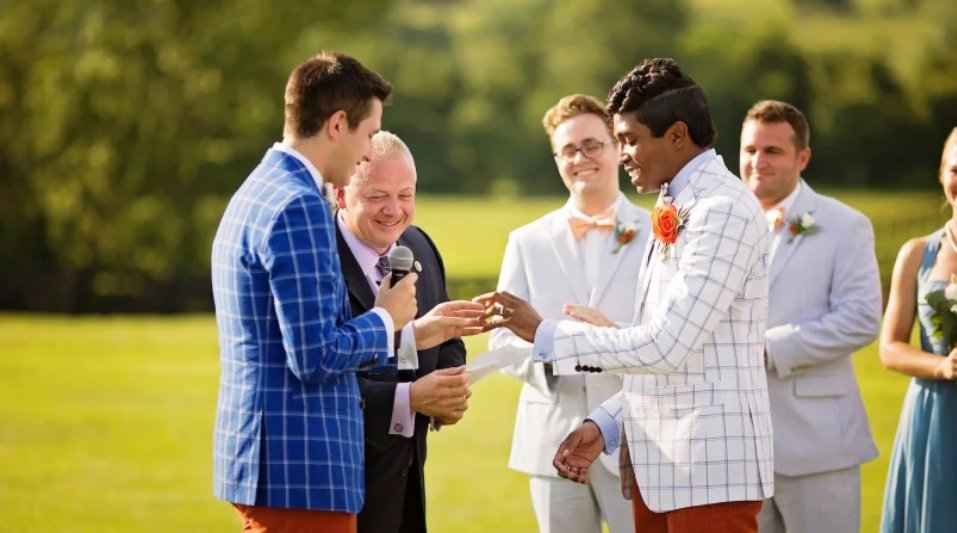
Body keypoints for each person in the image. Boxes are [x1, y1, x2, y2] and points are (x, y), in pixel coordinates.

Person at [478, 58, 774, 533]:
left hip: (708, 469)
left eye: (630, 140)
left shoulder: (723, 211)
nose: (624, 153)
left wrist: (545, 332)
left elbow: (666, 345)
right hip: (660, 469)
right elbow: (669, 356)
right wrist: (607, 422)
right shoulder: (676, 204)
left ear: (677, 135)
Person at [211, 52, 419, 532]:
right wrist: (386, 319)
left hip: (272, 464)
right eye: (369, 135)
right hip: (300, 468)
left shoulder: (261, 187)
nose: (369, 152)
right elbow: (314, 355)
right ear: (338, 124)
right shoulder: (299, 205)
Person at [488, 94, 645, 533]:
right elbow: (501, 339)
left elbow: (669, 332)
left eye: (592, 145)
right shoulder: (526, 240)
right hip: (549, 439)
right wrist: (557, 354)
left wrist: (610, 337)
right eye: (568, 150)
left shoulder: (658, 234)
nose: (581, 158)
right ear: (557, 159)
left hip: (634, 434)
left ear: (616, 148)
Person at [738, 100, 881, 533]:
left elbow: (860, 318)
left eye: (772, 151)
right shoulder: (719, 227)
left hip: (818, 441)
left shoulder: (844, 224)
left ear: (803, 157)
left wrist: (770, 349)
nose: (757, 162)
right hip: (737, 447)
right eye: (749, 150)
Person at [333, 131, 483, 533]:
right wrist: (410, 397)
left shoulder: (418, 245)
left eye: (405, 195)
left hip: (406, 484)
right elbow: (321, 372)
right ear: (341, 195)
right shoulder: (319, 261)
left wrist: (450, 388)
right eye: (377, 196)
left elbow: (447, 338)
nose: (394, 211)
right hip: (337, 490)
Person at [880, 127, 957, 533]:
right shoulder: (916, 253)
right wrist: (942, 367)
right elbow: (890, 347)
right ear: (942, 173)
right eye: (956, 169)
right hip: (934, 416)